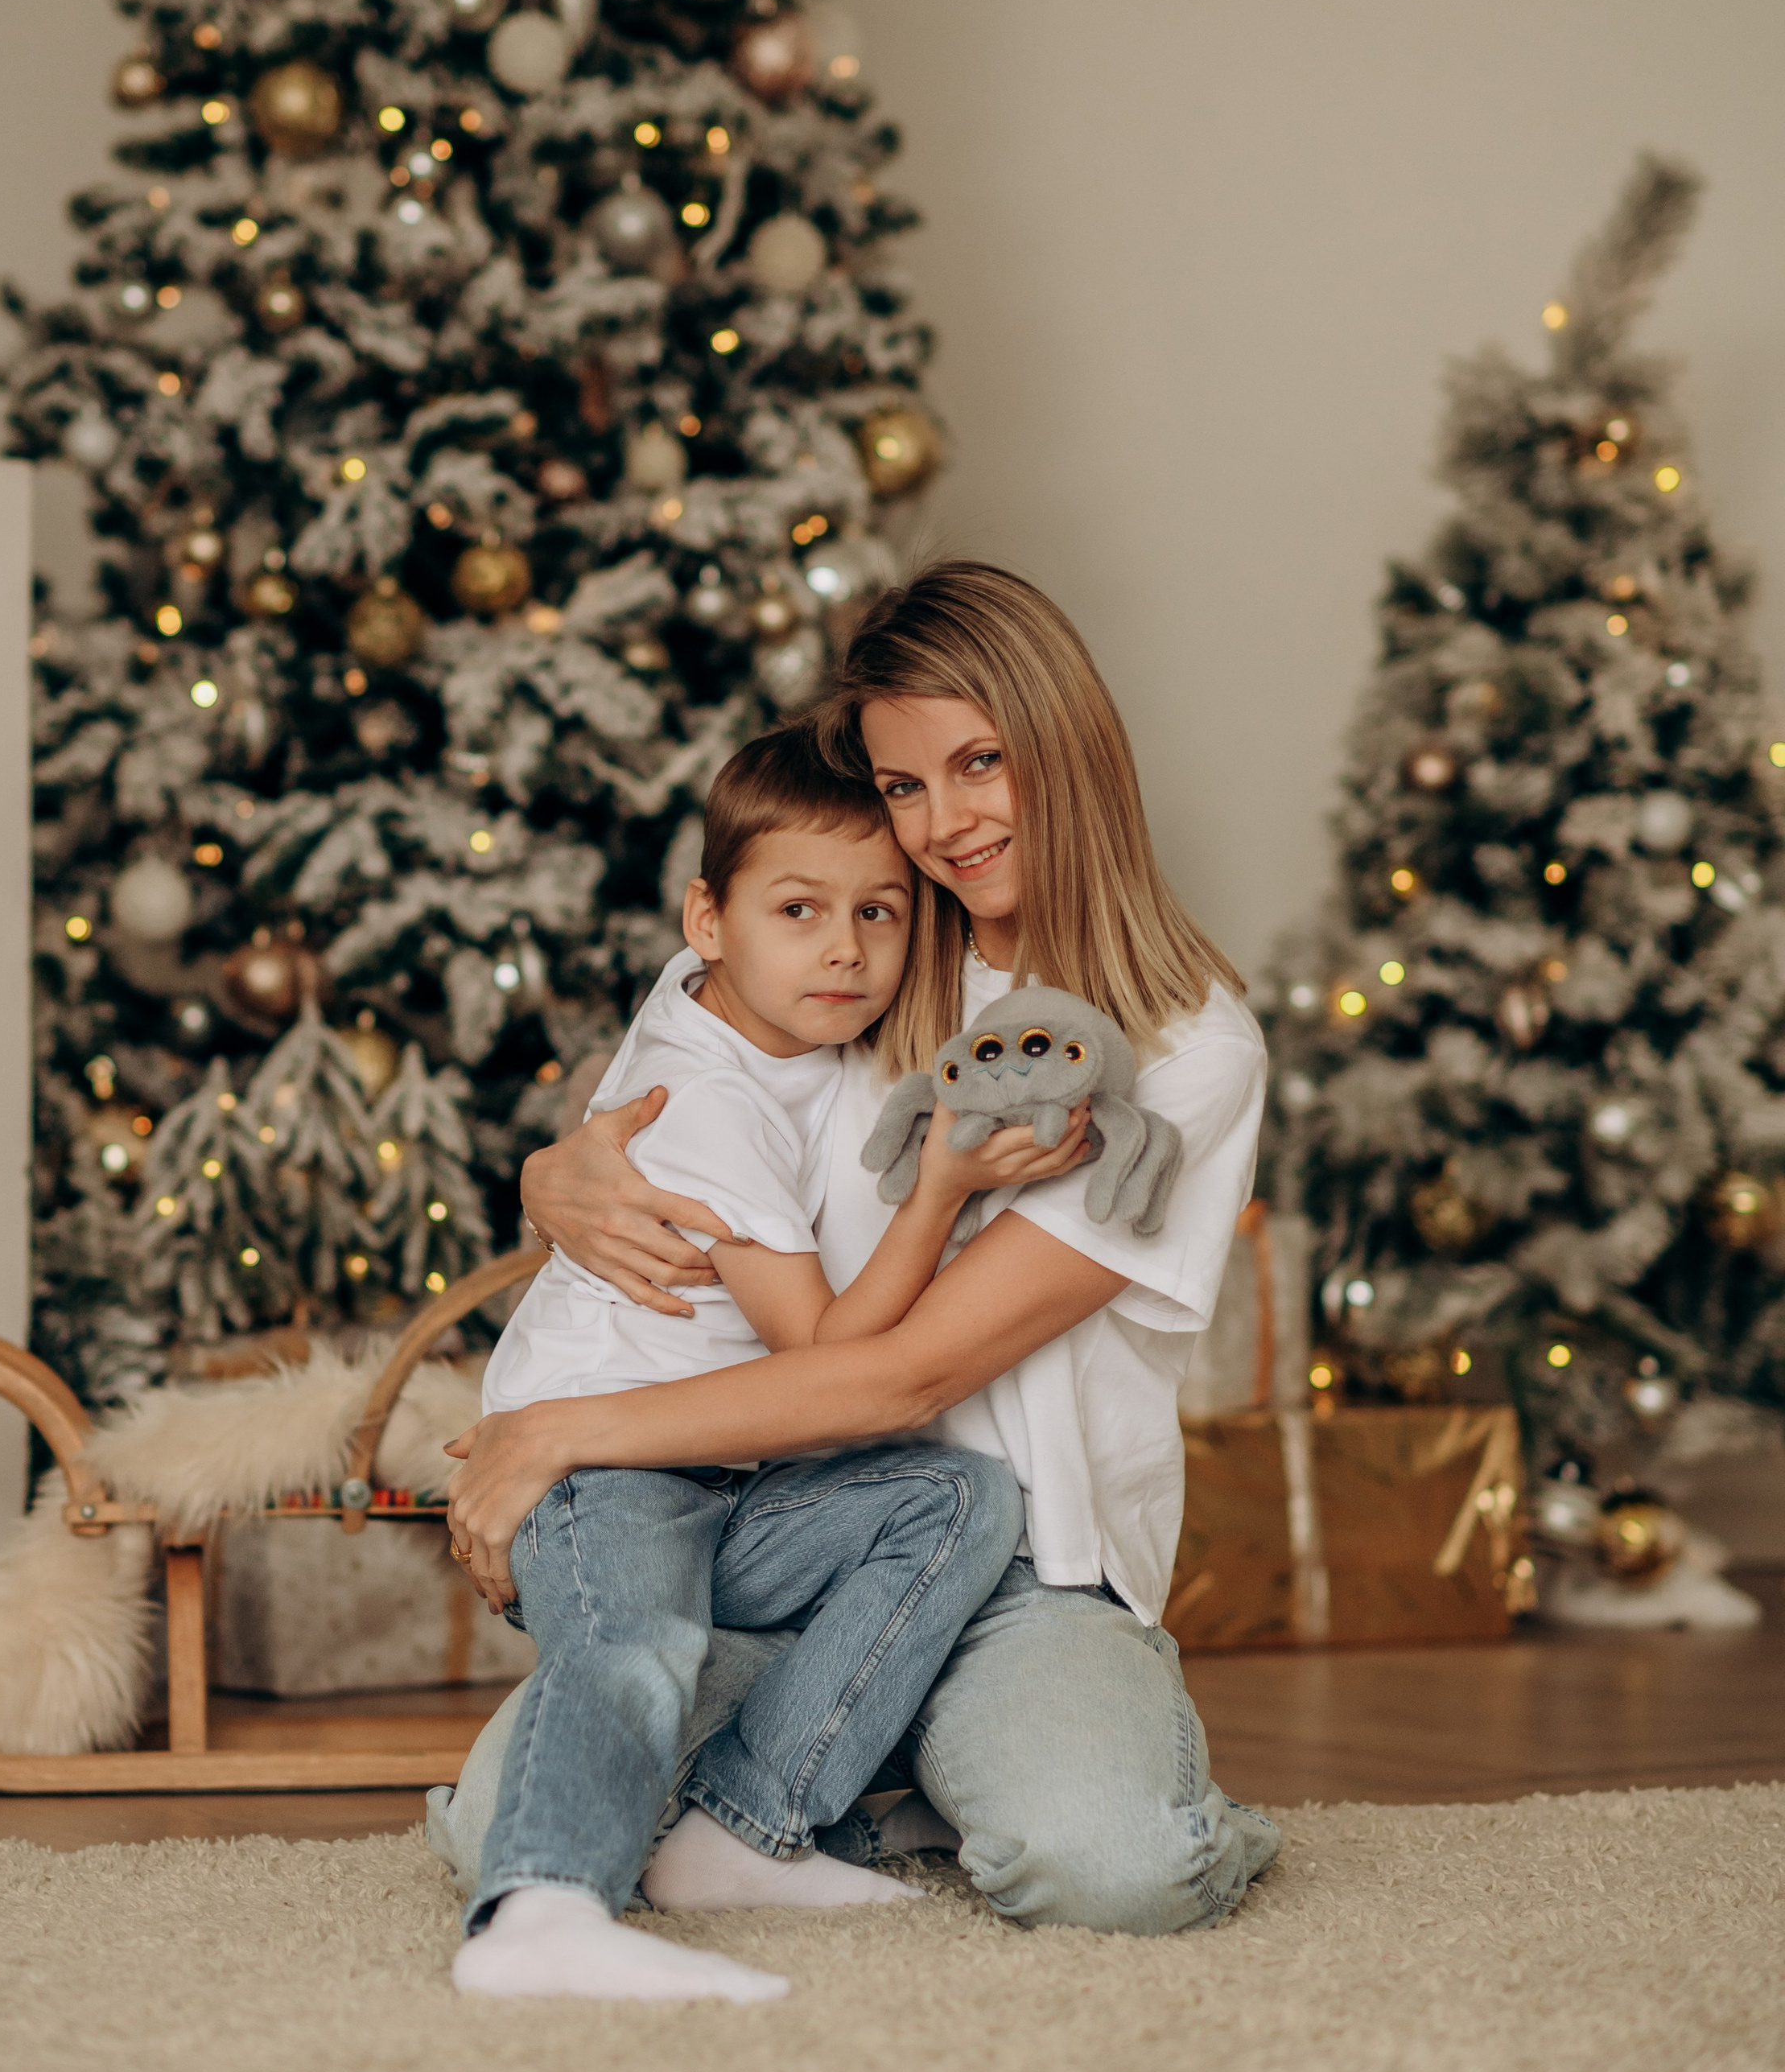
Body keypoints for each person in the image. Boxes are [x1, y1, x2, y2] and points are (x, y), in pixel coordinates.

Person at [435, 562, 1281, 1937]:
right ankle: (872, 1779)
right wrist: (559, 1173)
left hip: (1028, 1565)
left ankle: (962, 1768)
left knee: (1116, 1868)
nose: (944, 825)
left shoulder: (1187, 1052)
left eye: (980, 763)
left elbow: (897, 1382)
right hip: (789, 1527)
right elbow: (691, 1053)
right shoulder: (877, 947)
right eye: (904, 787)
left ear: (1065, 746)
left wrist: (566, 1430)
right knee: (497, 1833)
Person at [452, 722, 1077, 2004]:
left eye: (880, 914)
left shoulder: (751, 1008)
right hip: (592, 1468)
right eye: (799, 909)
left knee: (957, 1498)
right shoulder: (709, 1101)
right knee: (637, 1643)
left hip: (721, 1477)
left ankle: (741, 1826)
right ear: (711, 919)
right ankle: (539, 1911)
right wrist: (941, 1188)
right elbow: (829, 1353)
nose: (846, 949)